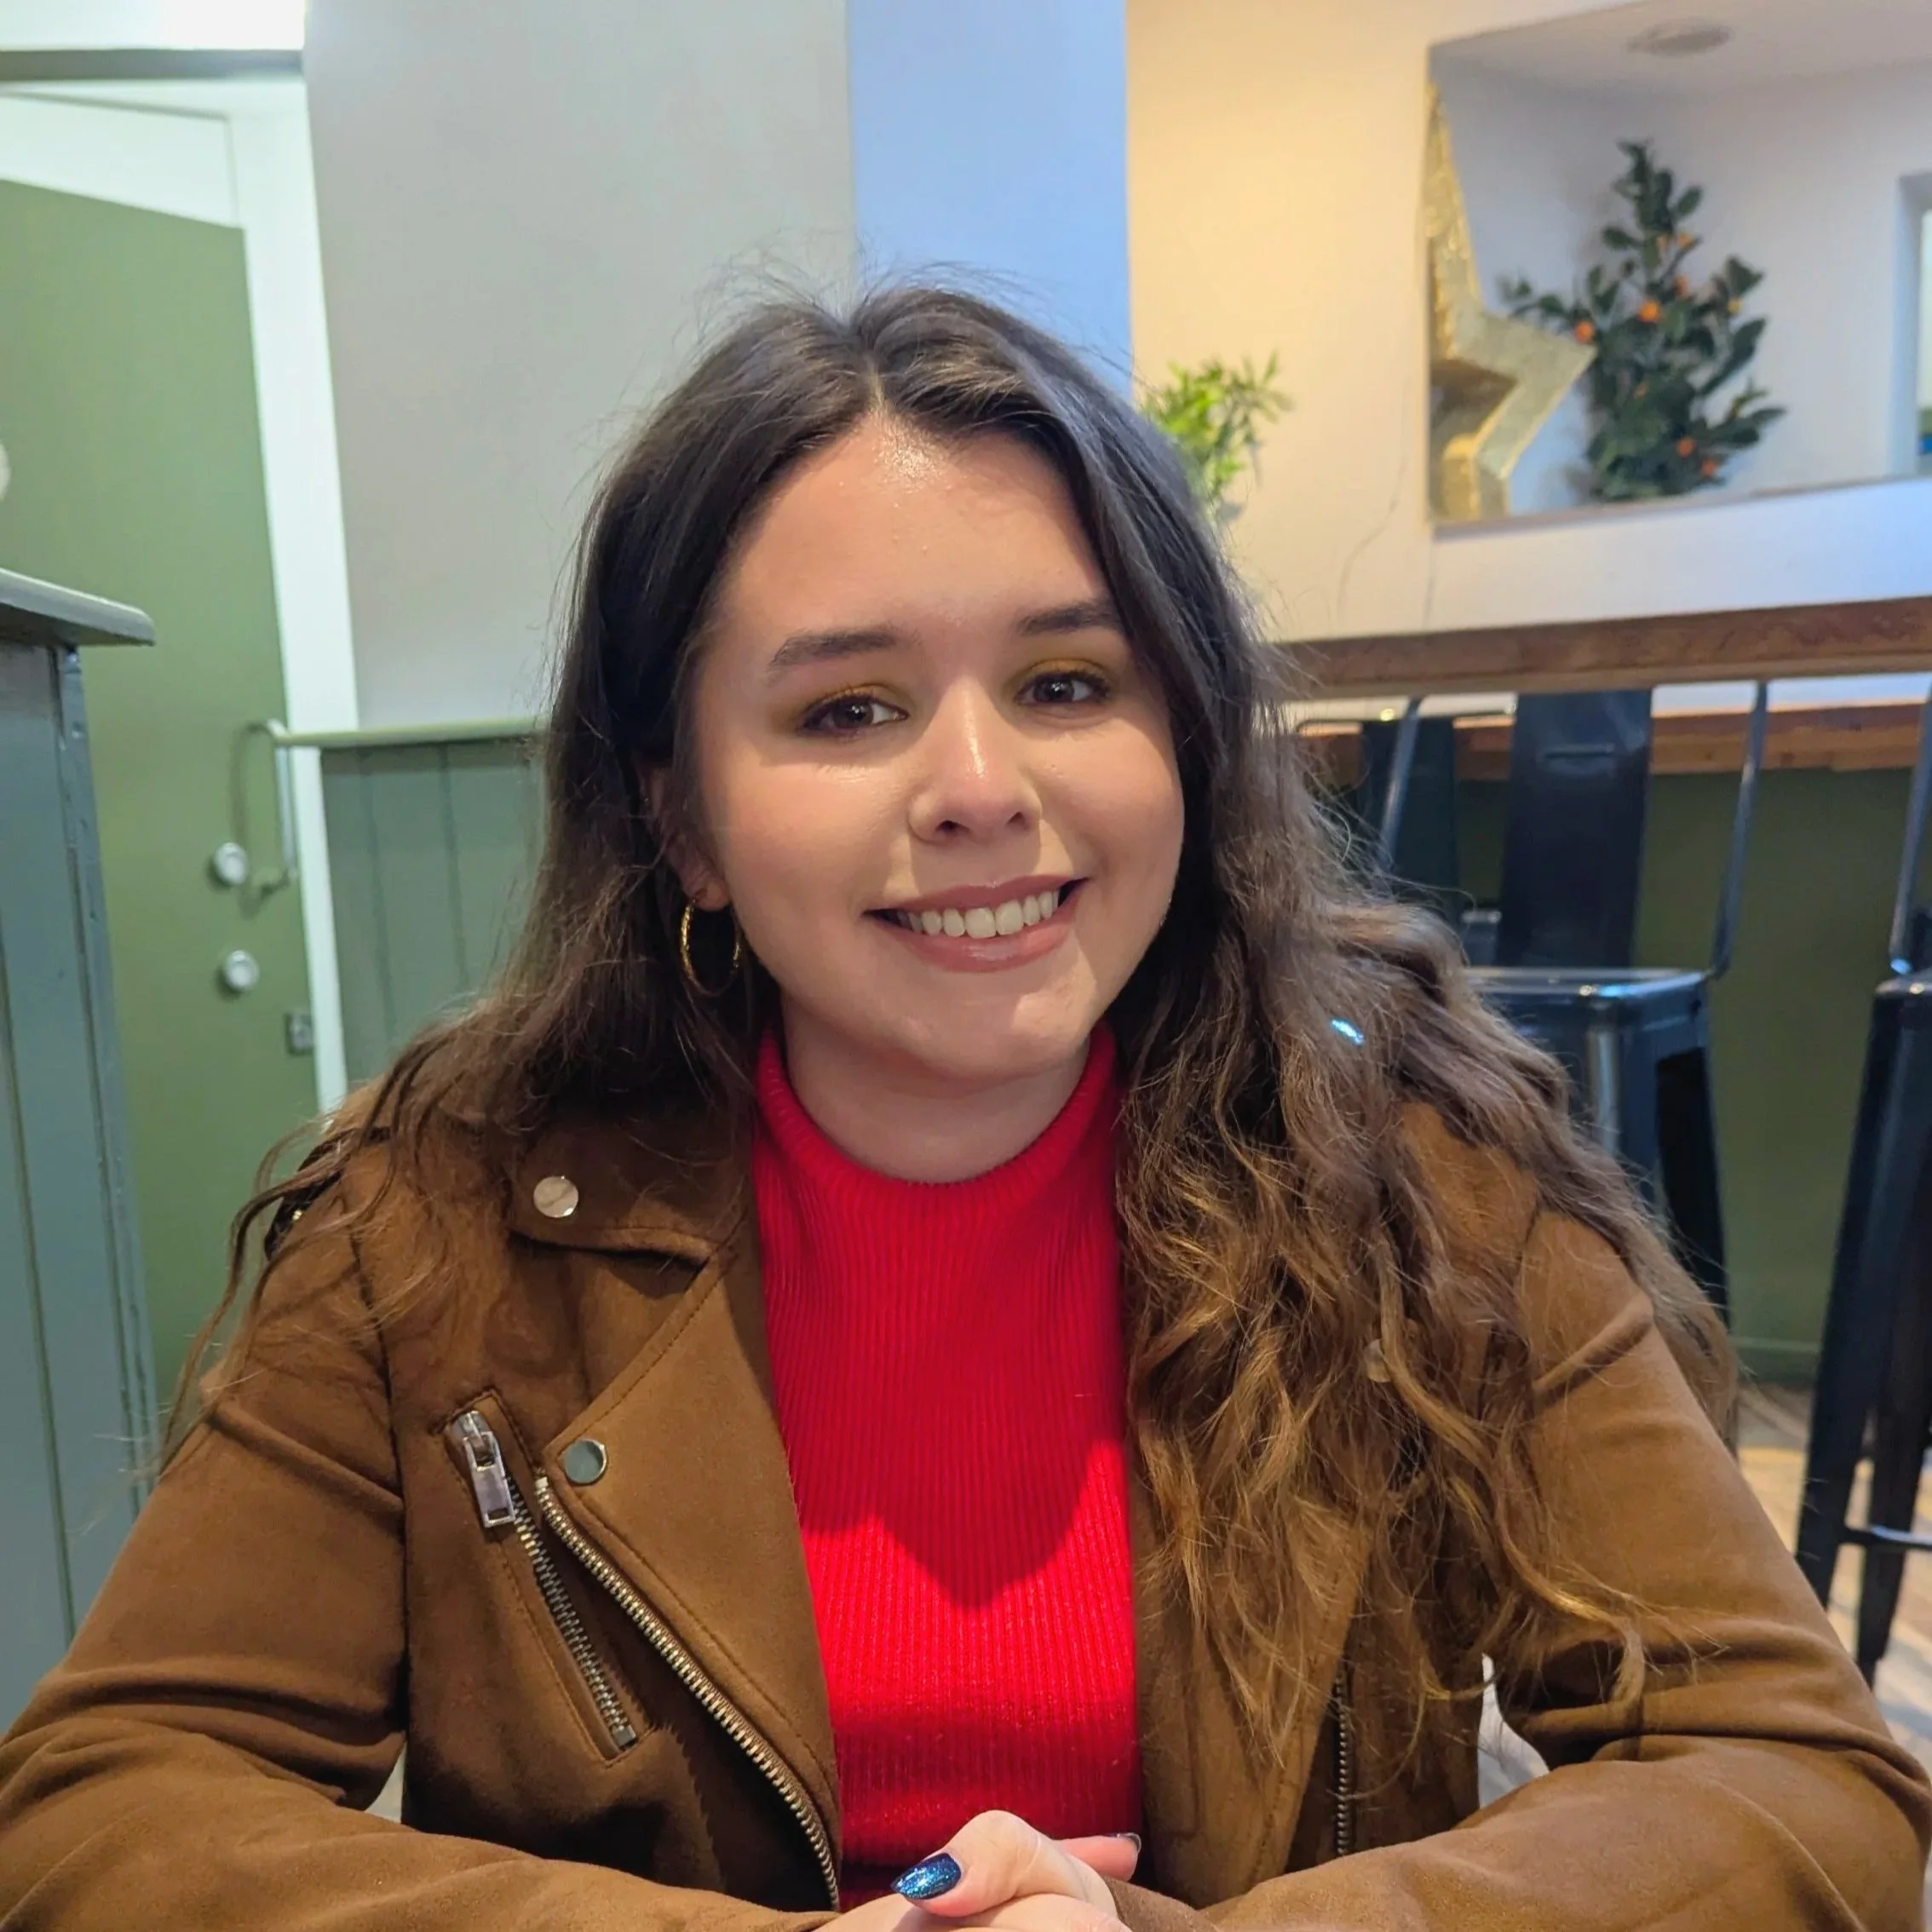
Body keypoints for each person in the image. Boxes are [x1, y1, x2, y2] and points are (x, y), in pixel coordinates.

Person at [0, 285, 1923, 1932]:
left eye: (1071, 679)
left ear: (1181, 732)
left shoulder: (1419, 1169)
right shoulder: (446, 1216)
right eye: (847, 711)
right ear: (678, 812)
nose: (981, 786)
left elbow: (1799, 1780)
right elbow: (102, 1807)